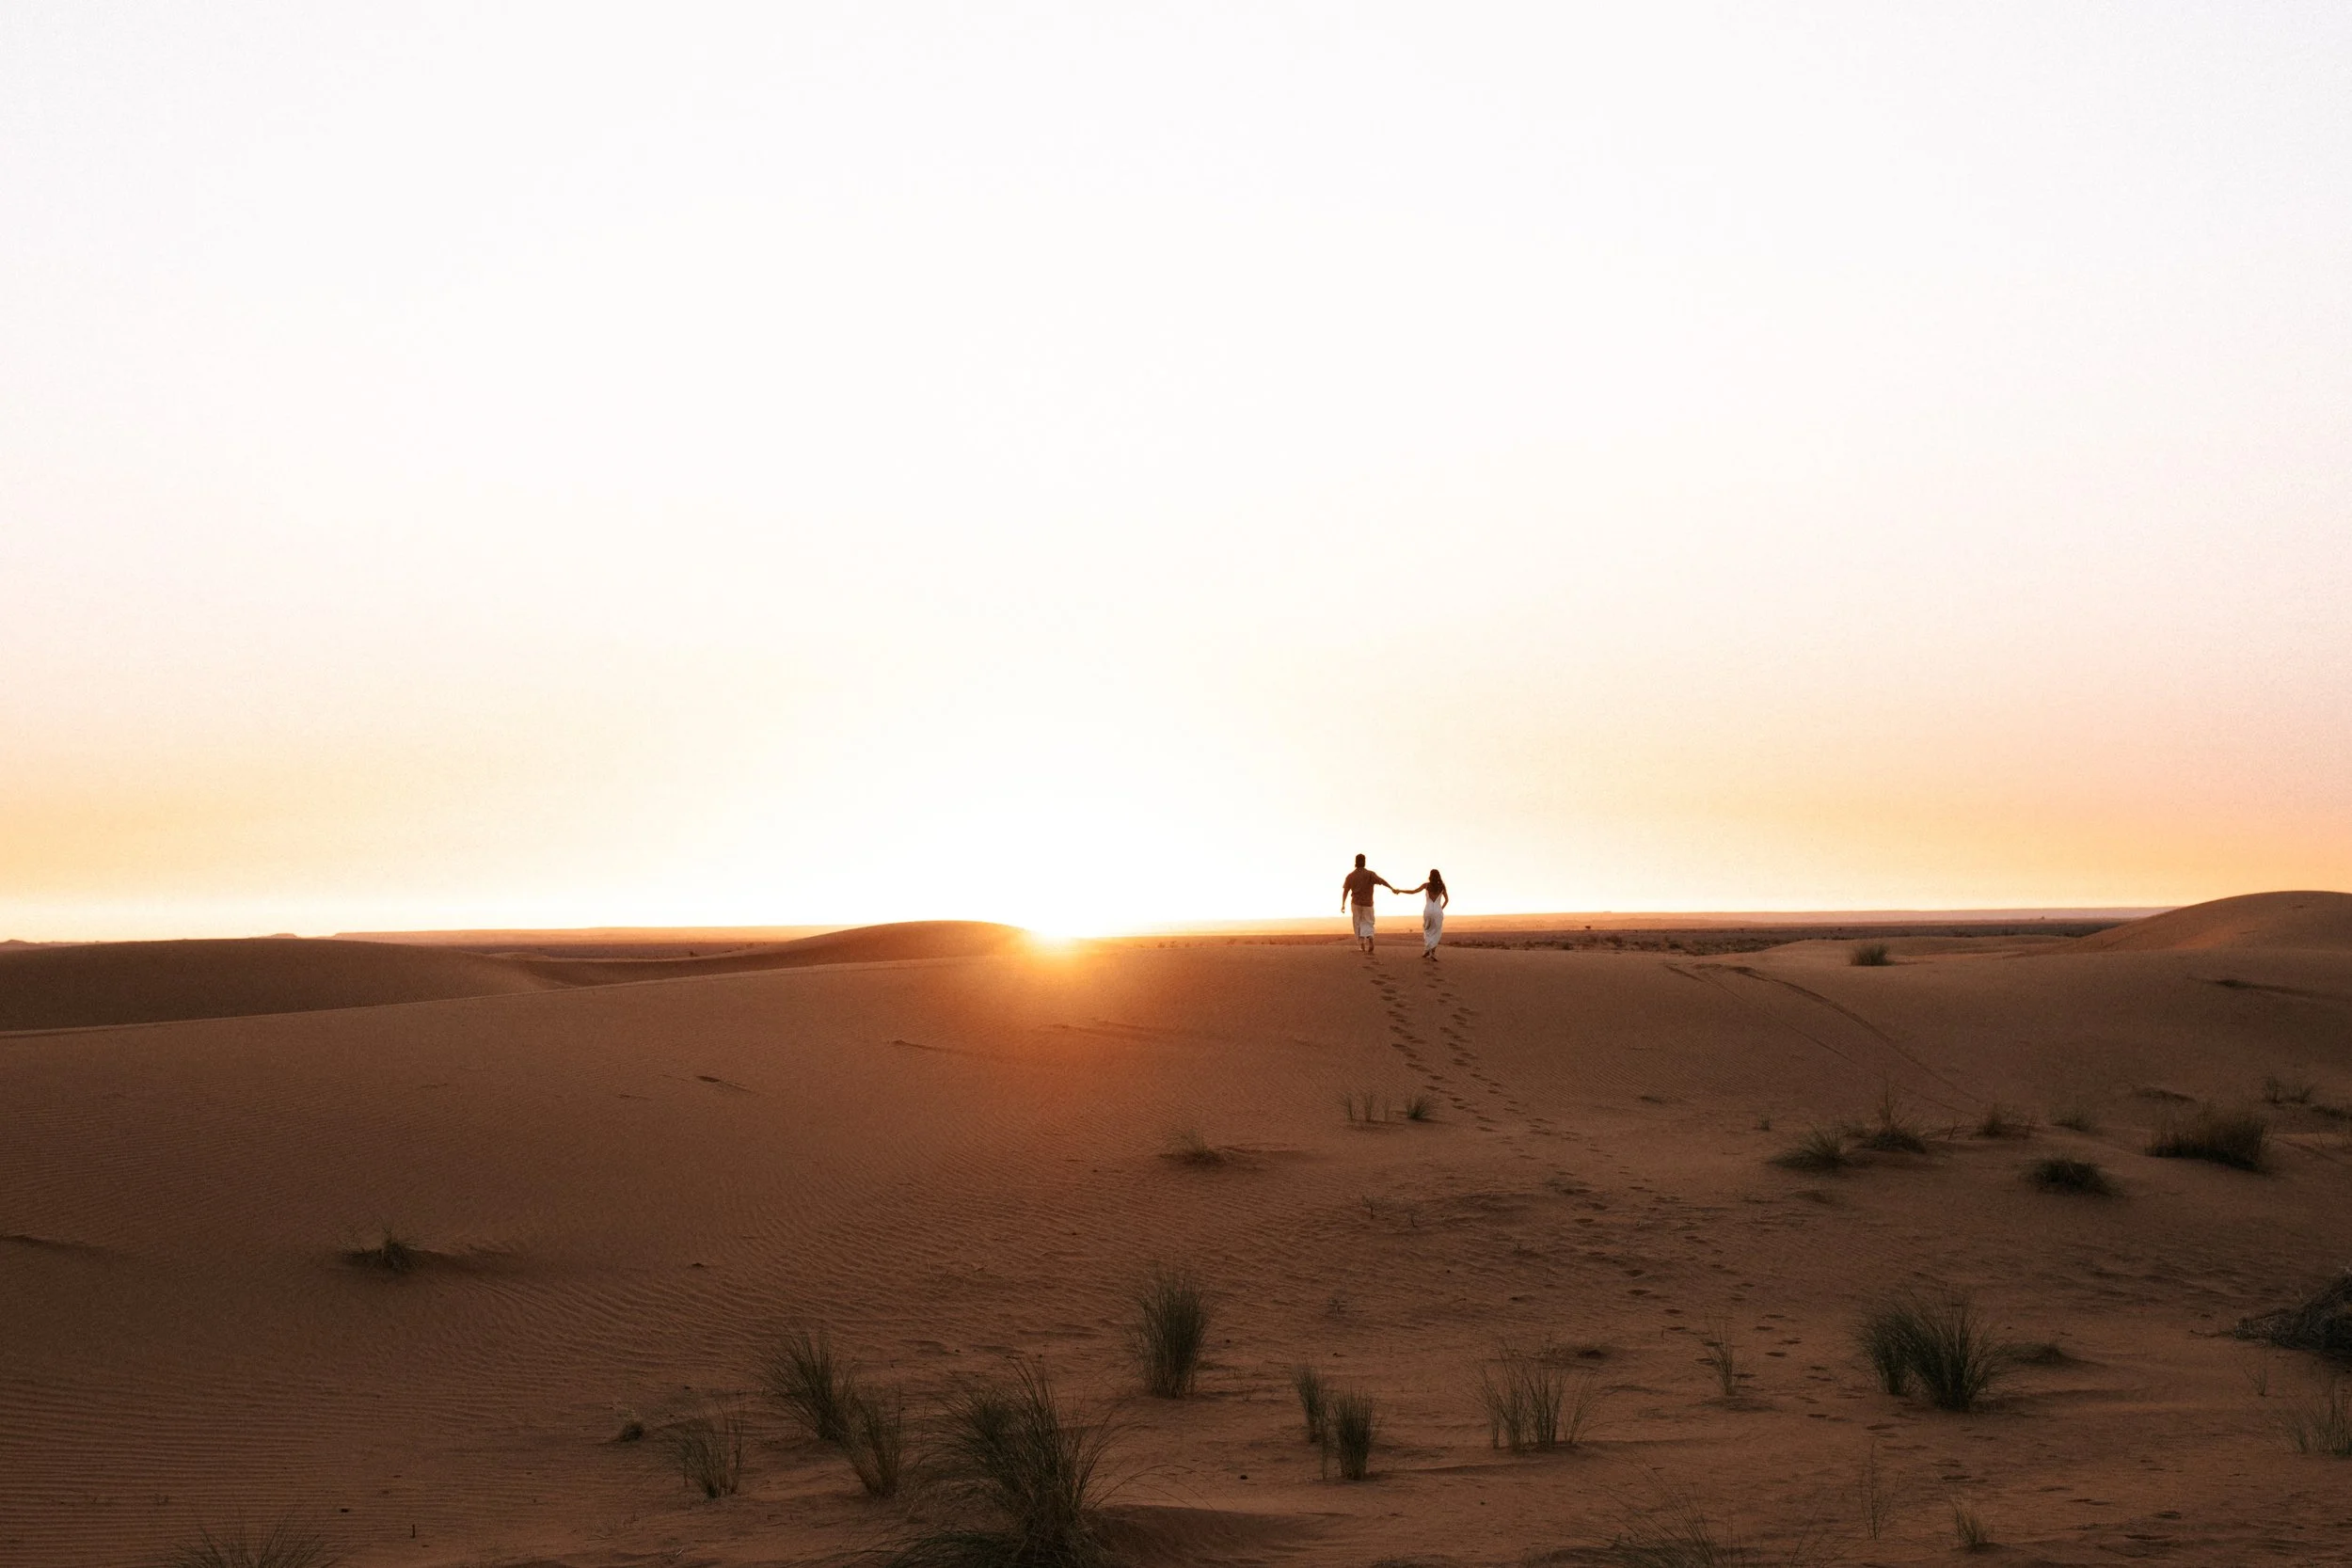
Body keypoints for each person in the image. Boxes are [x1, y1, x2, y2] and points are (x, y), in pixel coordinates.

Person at [1340, 853, 1395, 954]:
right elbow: (1381, 881)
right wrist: (1391, 888)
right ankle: (1370, 938)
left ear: (1355, 862)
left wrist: (1343, 904)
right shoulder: (1370, 874)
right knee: (1368, 921)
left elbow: (1346, 891)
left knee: (1357, 923)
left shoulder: (1350, 876)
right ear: (1364, 862)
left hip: (1356, 903)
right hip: (1368, 903)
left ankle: (1361, 945)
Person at [1396, 869, 1450, 958]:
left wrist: (1400, 890)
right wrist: (1441, 908)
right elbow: (1447, 900)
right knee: (1437, 931)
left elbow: (1413, 891)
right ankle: (1432, 951)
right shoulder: (1442, 887)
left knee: (1427, 929)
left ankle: (1427, 950)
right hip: (1438, 911)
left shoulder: (1426, 885)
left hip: (1428, 910)